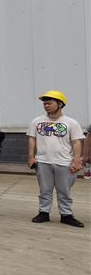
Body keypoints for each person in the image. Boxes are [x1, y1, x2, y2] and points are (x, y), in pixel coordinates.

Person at [28, 91, 85, 227]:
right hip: (43, 161)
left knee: (64, 191)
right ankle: (43, 213)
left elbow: (76, 142)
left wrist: (77, 160)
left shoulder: (71, 123)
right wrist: (31, 156)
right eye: (44, 103)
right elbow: (32, 139)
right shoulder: (37, 121)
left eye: (49, 103)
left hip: (64, 162)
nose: (46, 105)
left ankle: (66, 215)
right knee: (44, 190)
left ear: (60, 104)